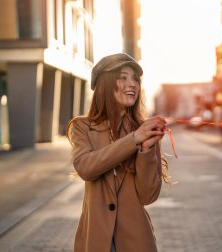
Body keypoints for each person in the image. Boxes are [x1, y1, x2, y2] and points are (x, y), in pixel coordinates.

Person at [66, 53, 170, 252]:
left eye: (135, 79)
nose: (132, 84)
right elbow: (86, 168)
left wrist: (146, 151)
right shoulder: (82, 127)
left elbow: (148, 196)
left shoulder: (144, 130)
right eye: (123, 77)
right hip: (95, 240)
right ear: (105, 84)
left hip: (136, 241)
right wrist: (133, 141)